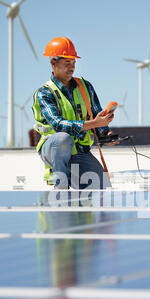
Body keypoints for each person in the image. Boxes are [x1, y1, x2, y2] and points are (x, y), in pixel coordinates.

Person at [32, 37, 118, 189]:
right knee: (62, 139)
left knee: (104, 191)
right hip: (53, 148)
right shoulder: (44, 93)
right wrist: (94, 123)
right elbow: (58, 125)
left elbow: (96, 115)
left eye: (73, 63)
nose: (71, 67)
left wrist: (106, 133)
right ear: (53, 63)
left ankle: (77, 193)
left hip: (79, 151)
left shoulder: (85, 87)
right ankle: (61, 186)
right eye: (67, 63)